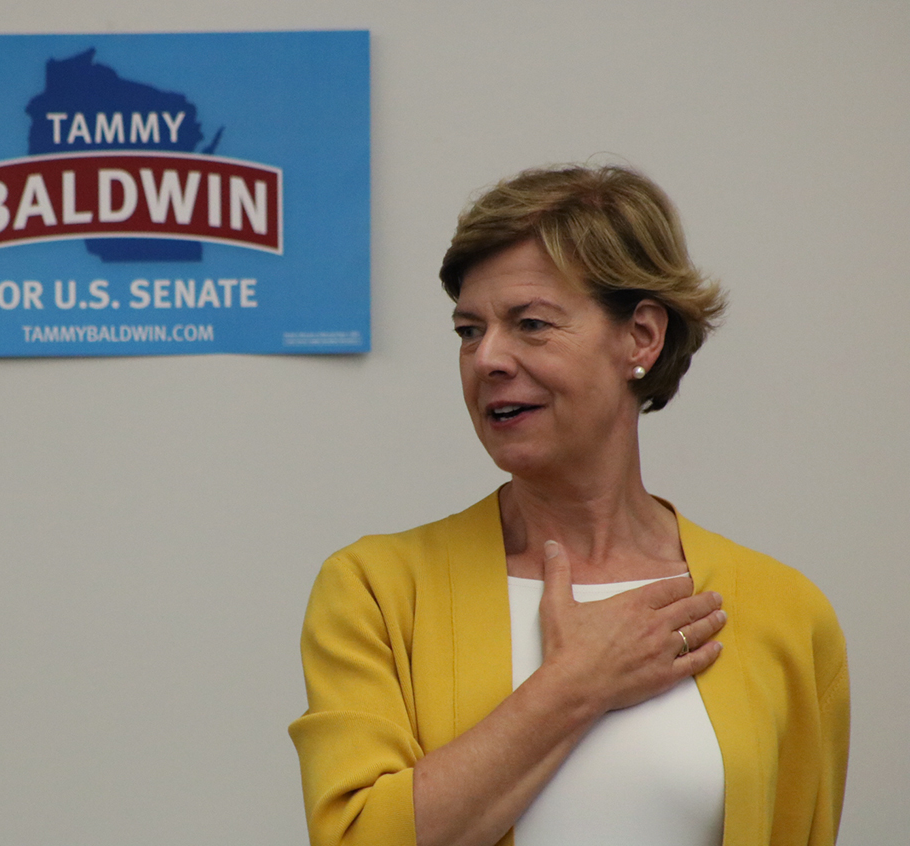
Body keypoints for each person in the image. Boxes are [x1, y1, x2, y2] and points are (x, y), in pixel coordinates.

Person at [289, 164, 848, 846]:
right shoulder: (376, 590)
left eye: (530, 324)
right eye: (469, 330)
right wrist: (575, 686)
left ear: (641, 337)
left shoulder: (785, 612)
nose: (487, 357)